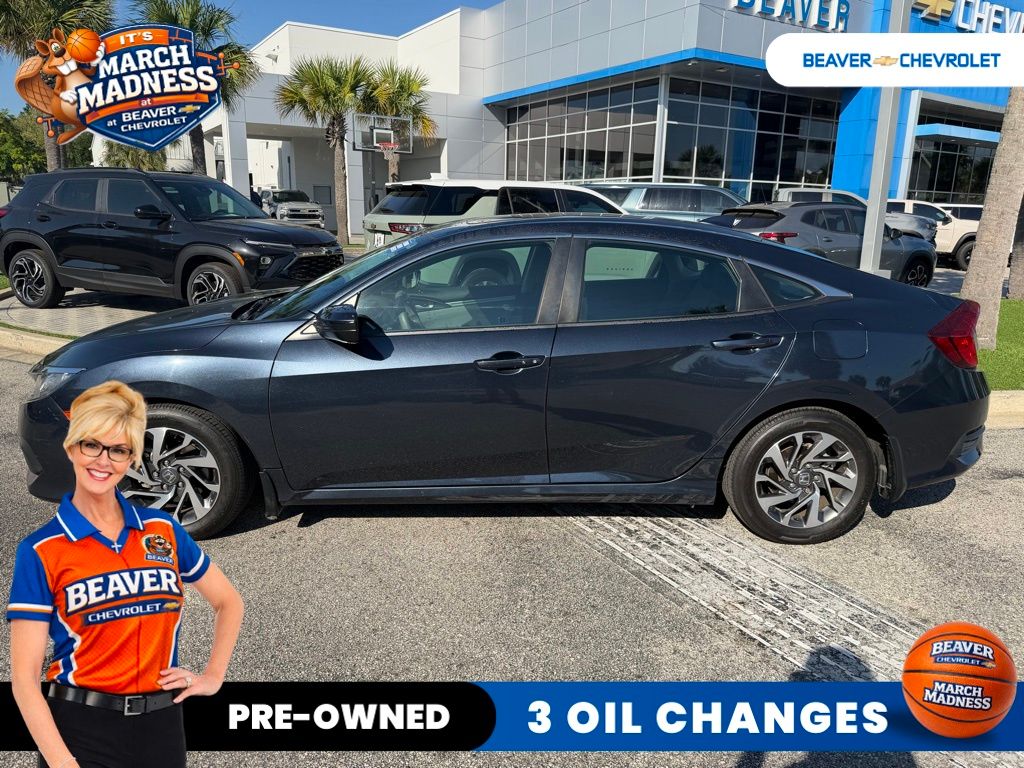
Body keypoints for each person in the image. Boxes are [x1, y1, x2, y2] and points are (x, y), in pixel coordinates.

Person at [7, 381, 244, 768]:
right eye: (92, 445)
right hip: (80, 729)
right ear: (72, 447)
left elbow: (228, 602)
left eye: (118, 450)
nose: (103, 461)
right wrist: (61, 761)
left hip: (161, 725)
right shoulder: (41, 550)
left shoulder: (163, 530)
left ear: (131, 458)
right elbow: (24, 679)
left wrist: (212, 676)